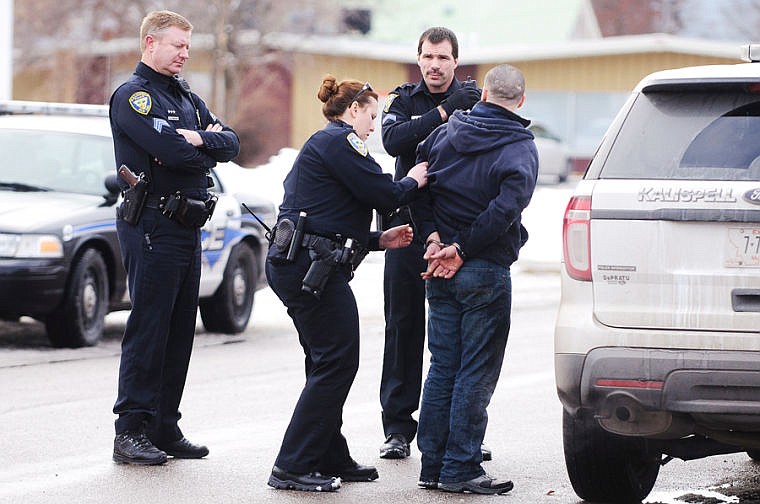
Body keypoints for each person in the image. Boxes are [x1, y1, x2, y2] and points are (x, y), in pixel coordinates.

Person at [266, 75, 428, 492]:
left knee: (325, 361)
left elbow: (331, 215)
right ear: (353, 110)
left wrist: (378, 240)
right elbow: (384, 194)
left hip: (305, 263)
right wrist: (414, 180)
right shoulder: (340, 143)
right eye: (371, 116)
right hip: (308, 267)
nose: (374, 126)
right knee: (338, 360)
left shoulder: (330, 145)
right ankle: (292, 464)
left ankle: (327, 453)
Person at [109, 10, 240, 465]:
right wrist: (204, 144)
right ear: (150, 44)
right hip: (152, 226)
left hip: (186, 227)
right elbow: (172, 152)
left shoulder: (184, 96)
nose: (185, 53)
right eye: (176, 46)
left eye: (188, 46)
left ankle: (164, 426)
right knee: (149, 327)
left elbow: (232, 143)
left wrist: (201, 140)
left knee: (181, 328)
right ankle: (130, 430)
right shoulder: (134, 97)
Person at [413, 63, 538, 494]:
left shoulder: (444, 134)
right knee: (475, 371)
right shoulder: (520, 147)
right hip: (481, 269)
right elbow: (505, 212)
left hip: (438, 267)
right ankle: (461, 466)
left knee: (443, 364)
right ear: (520, 101)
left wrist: (433, 237)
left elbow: (419, 184)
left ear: (482, 95)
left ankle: (432, 465)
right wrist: (461, 250)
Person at [378, 26, 483, 460]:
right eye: (428, 57)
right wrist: (443, 114)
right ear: (418, 59)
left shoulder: (476, 101)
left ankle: (457, 430)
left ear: (456, 60)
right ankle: (398, 429)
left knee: (460, 338)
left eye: (443, 57)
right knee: (403, 327)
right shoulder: (403, 101)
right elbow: (392, 141)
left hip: (457, 233)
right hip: (407, 232)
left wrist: (461, 109)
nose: (435, 65)